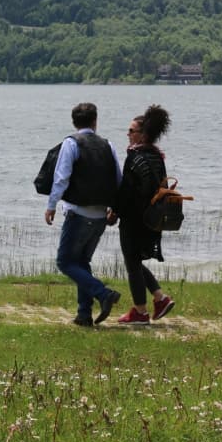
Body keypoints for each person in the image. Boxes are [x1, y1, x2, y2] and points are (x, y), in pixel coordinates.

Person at [45, 102, 123, 327]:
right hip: (100, 215)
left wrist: (51, 205)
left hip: (77, 213)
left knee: (65, 262)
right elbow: (118, 180)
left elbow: (61, 178)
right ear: (95, 121)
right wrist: (114, 208)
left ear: (74, 122)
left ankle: (103, 293)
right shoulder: (108, 145)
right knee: (82, 262)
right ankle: (84, 314)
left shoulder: (71, 143)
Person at [112, 105, 176, 325]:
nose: (128, 135)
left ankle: (140, 312)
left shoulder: (135, 156)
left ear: (143, 134)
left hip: (133, 219)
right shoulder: (157, 156)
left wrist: (114, 212)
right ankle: (160, 298)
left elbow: (126, 191)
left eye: (132, 131)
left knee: (132, 264)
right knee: (136, 261)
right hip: (151, 218)